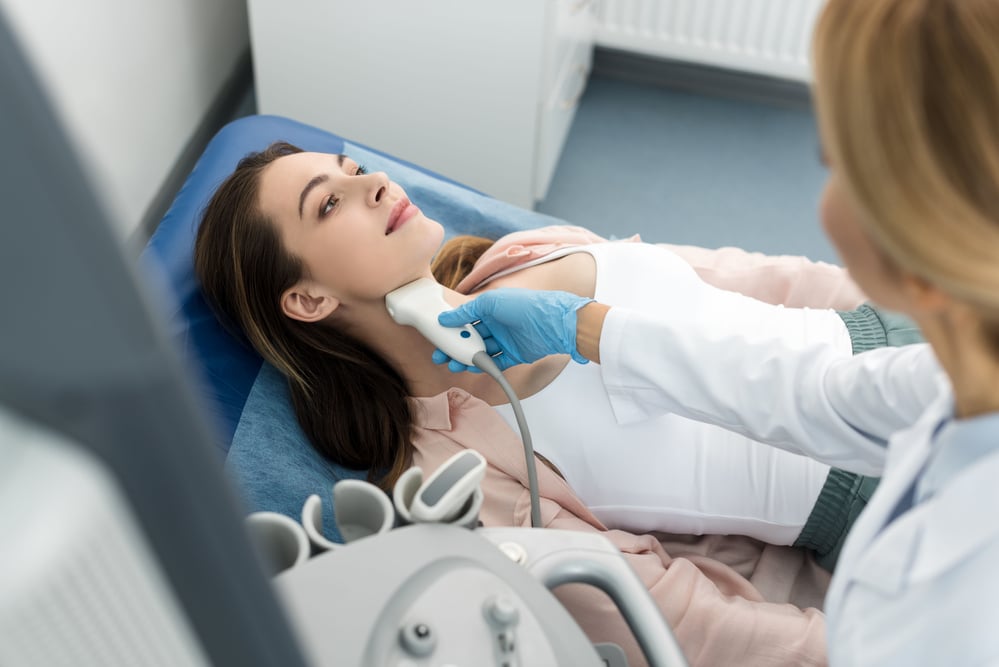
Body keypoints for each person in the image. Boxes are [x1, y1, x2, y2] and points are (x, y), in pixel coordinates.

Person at [435, 0, 999, 664]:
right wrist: (581, 328)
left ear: (930, 236)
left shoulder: (959, 597)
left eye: (837, 165)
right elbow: (807, 393)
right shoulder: (942, 376)